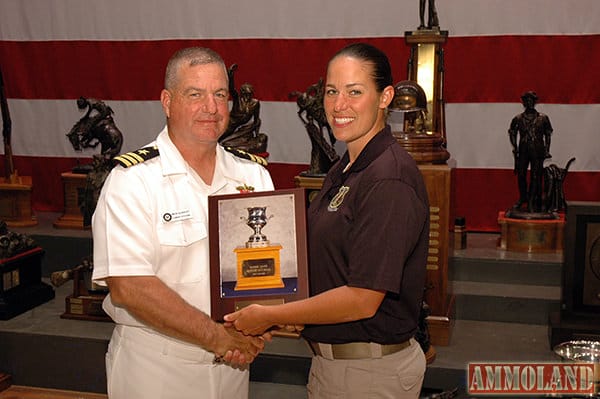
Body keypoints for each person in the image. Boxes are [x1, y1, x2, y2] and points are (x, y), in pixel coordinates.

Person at [225, 42, 430, 399]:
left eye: (355, 92)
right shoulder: (347, 165)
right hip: (336, 366)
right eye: (332, 91)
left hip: (369, 373)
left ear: (385, 97)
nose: (339, 105)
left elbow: (363, 298)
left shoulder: (388, 179)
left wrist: (271, 314)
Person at [91, 47, 275, 399]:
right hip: (157, 371)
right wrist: (217, 337)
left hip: (233, 369)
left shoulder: (253, 176)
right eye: (195, 94)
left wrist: (265, 322)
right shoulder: (133, 181)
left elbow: (266, 273)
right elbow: (129, 287)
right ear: (167, 101)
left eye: (220, 94)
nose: (211, 107)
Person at [508, 91, 553, 213]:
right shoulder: (518, 118)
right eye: (526, 100)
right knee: (521, 175)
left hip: (538, 150)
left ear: (535, 101)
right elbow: (512, 132)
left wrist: (547, 149)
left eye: (531, 100)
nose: (529, 102)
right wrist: (515, 147)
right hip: (523, 150)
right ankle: (523, 197)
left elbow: (548, 134)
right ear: (523, 102)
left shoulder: (543, 118)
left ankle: (532, 201)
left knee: (535, 176)